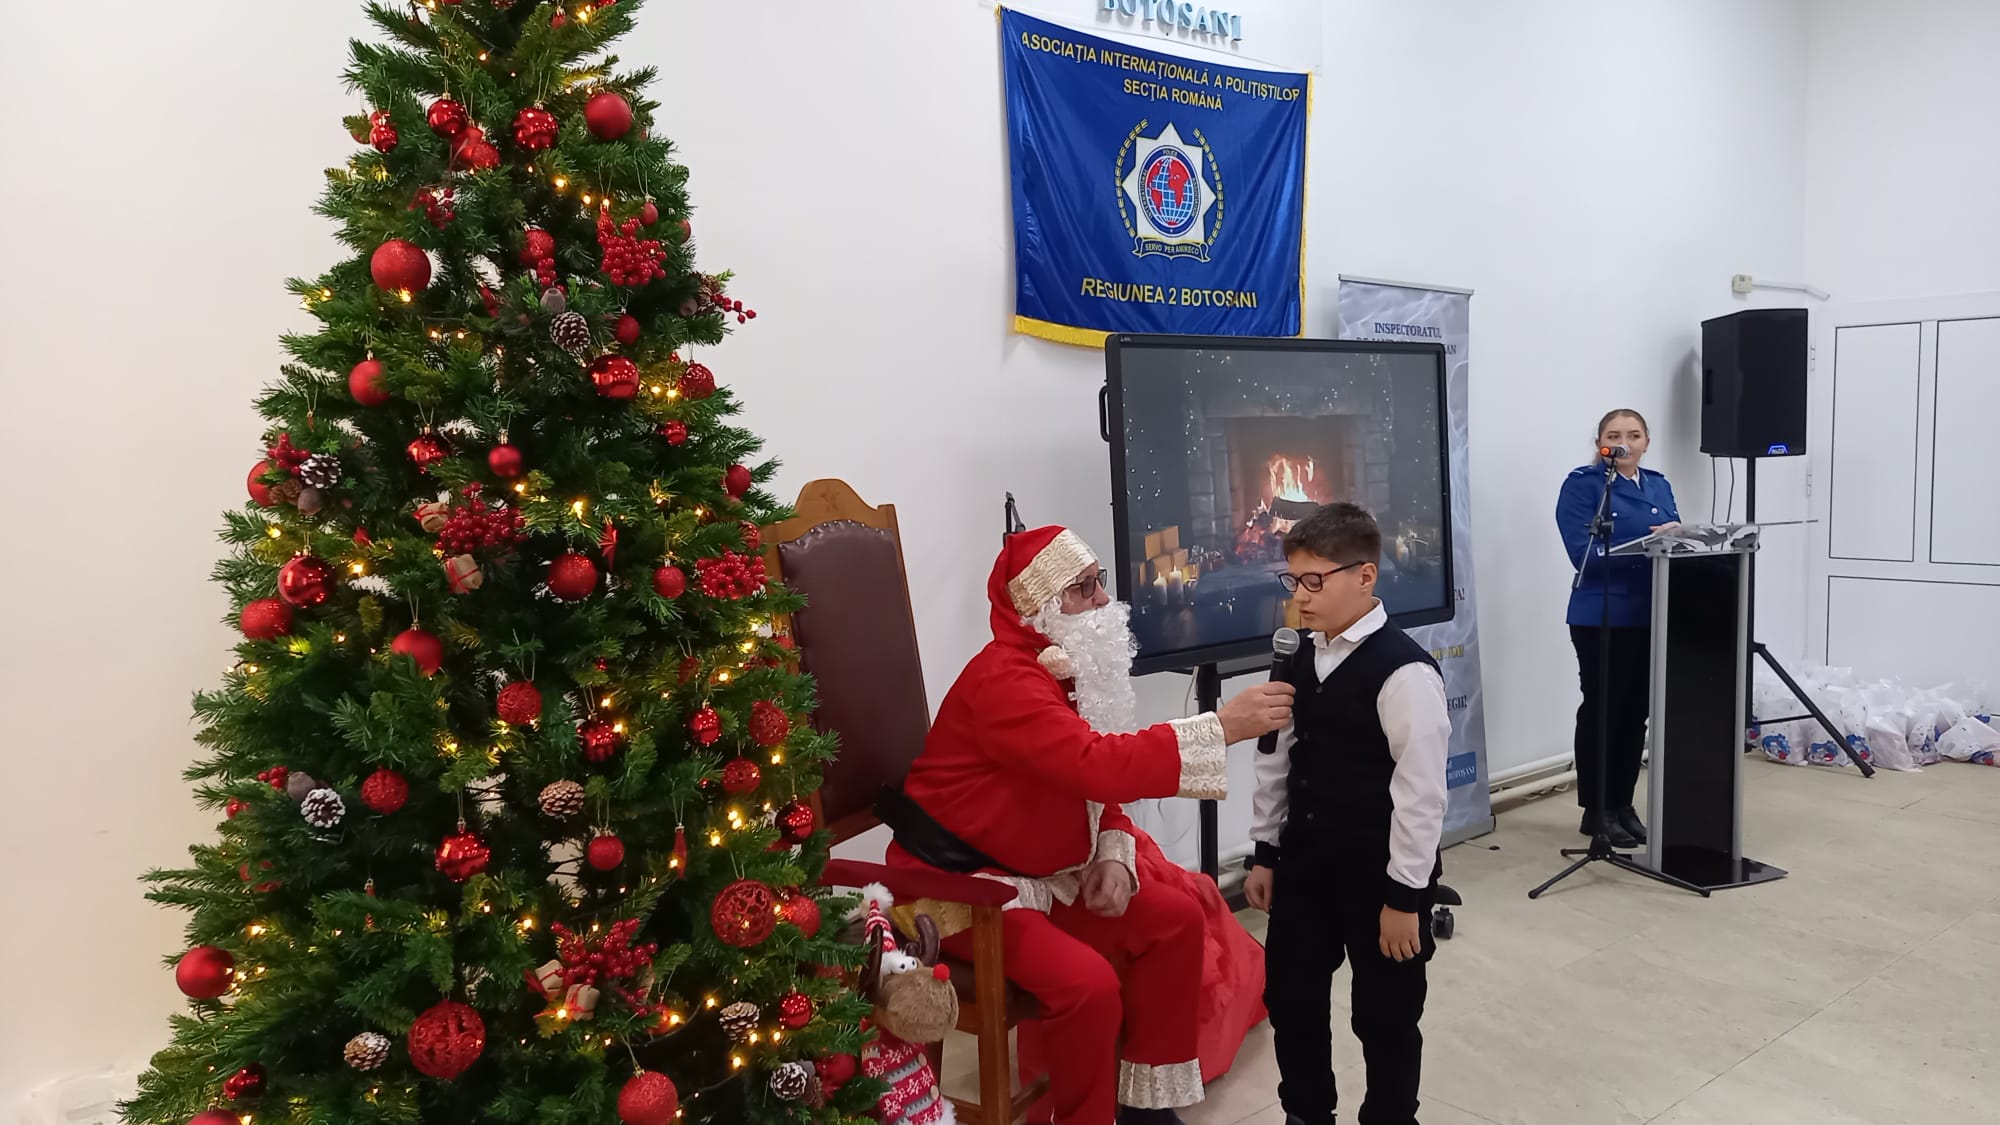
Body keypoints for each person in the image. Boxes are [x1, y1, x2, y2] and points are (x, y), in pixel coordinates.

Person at [882, 525, 1294, 1125]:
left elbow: (1095, 783)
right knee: (1087, 985)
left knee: (1176, 920)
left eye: (1099, 581)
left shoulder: (1066, 673)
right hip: (967, 887)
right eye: (1084, 588)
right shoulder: (1006, 681)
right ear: (1039, 608)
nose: (1104, 598)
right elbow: (1096, 764)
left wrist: (1111, 853)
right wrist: (1221, 727)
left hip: (1038, 873)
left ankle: (1146, 1111)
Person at [1244, 502, 1453, 1125]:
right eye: (1293, 581)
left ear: (1365, 576)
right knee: (1292, 1000)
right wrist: (1265, 853)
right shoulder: (1296, 657)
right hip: (1306, 868)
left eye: (1314, 581)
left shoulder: (1404, 672)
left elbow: (1421, 796)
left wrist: (1405, 897)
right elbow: (1276, 760)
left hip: (1378, 877)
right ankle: (1307, 1111)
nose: (1300, 597)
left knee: (1385, 1017)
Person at [1554, 408, 1680, 849]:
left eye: (1633, 434)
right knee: (1603, 709)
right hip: (1601, 615)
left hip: (1650, 612)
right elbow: (1582, 552)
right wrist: (1650, 544)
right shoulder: (1584, 484)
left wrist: (1678, 536)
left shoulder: (1658, 484)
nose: (1624, 441)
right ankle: (1597, 809)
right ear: (1600, 444)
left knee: (1635, 713)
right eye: (1613, 435)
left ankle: (1623, 804)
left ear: (1646, 442)